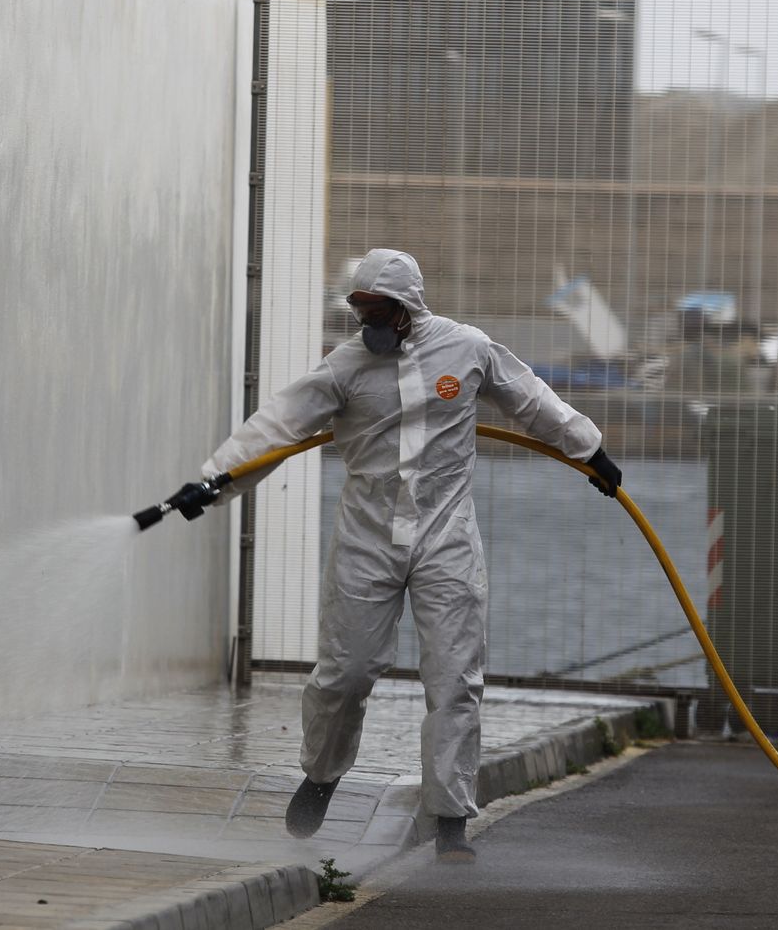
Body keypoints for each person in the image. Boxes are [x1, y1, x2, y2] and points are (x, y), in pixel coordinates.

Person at [185, 248, 621, 863]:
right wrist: (212, 481)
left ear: (407, 306)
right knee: (346, 672)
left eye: (376, 309)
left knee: (455, 679)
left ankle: (450, 820)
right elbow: (277, 426)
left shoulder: (468, 349)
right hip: (366, 537)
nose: (366, 321)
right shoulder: (345, 367)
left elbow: (532, 401)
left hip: (447, 536)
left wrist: (590, 452)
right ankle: (321, 776)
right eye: (358, 309)